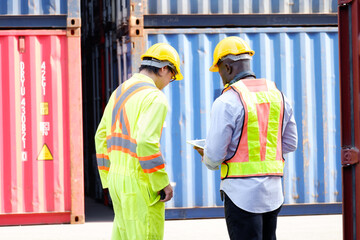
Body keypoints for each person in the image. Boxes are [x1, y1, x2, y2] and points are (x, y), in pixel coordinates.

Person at [194, 36, 298, 240]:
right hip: (273, 193)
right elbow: (290, 143)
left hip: (241, 195)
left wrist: (206, 157)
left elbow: (214, 155)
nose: (221, 77)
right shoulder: (279, 95)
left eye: (220, 71)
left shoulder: (227, 101)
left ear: (227, 67)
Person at [94, 43, 183, 240]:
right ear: (163, 69)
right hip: (140, 184)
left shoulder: (119, 91)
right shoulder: (155, 97)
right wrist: (161, 182)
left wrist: (108, 178)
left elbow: (100, 137)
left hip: (117, 182)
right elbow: (145, 143)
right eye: (172, 76)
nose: (170, 81)